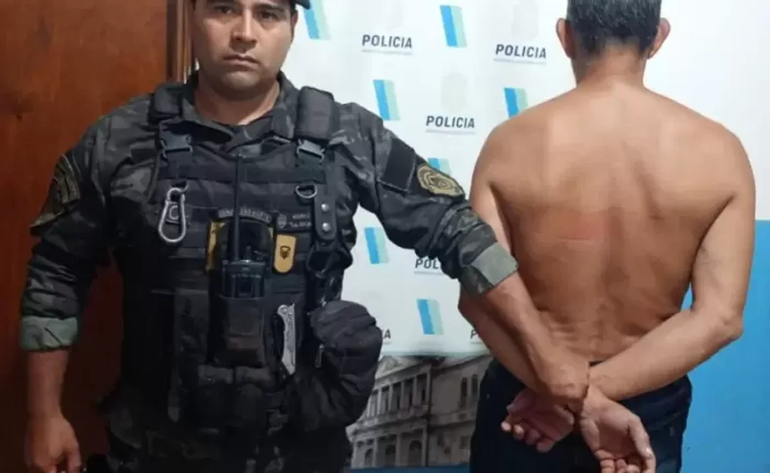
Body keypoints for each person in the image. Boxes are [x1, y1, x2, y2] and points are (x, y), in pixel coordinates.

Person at [19, 1, 596, 472]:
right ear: (192, 13)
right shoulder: (123, 141)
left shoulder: (345, 137)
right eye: (224, 9)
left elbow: (459, 233)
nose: (245, 33)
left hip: (299, 452)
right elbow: (56, 272)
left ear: (293, 25)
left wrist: (548, 358)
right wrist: (44, 415)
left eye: (267, 13)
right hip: (155, 451)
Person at [459, 0, 755, 472]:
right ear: (658, 36)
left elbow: (479, 298)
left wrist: (562, 393)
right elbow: (719, 318)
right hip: (642, 403)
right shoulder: (720, 153)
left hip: (529, 399)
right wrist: (591, 396)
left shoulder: (509, 143)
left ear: (565, 36)